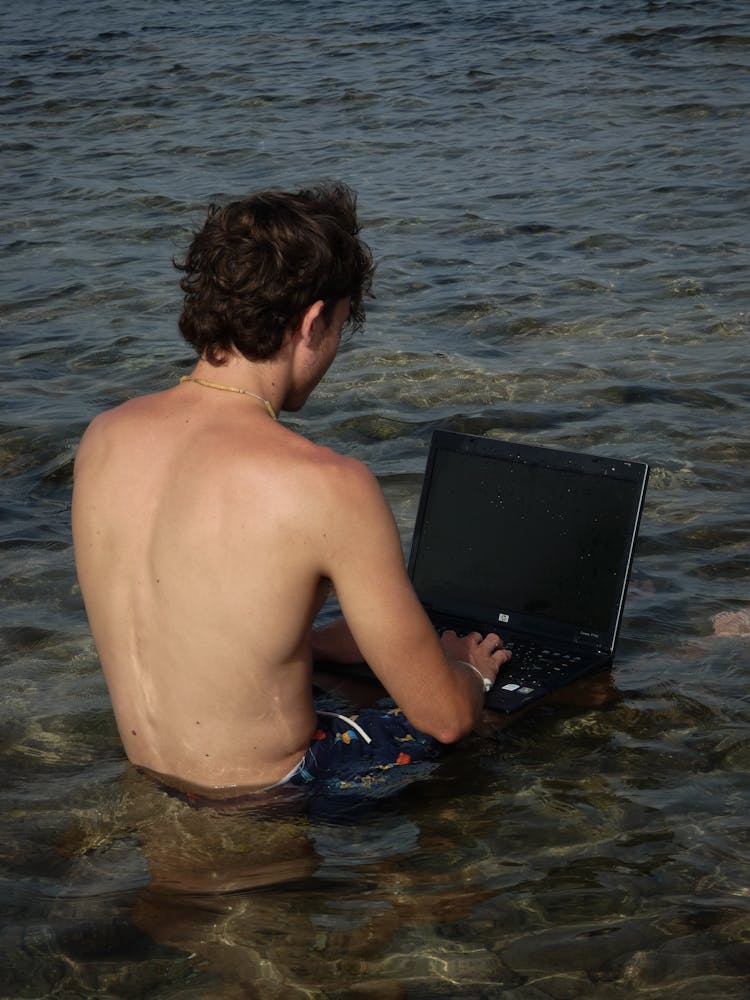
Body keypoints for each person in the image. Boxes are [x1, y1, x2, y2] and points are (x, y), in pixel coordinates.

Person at [72, 182, 510, 802]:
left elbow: (200, 623)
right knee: (511, 720)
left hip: (159, 776)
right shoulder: (327, 484)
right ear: (312, 322)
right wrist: (468, 670)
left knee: (355, 674)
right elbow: (444, 717)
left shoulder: (104, 437)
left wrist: (318, 643)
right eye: (338, 326)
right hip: (274, 797)